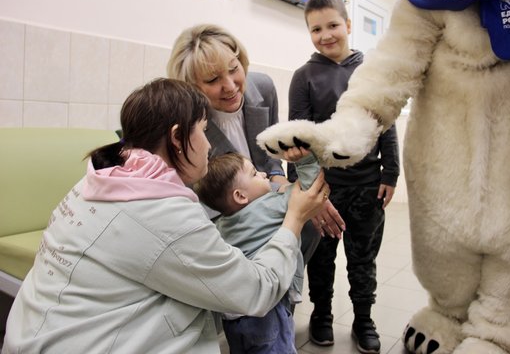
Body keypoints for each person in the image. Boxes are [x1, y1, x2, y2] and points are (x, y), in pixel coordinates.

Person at [1, 78, 329, 354]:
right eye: (202, 130)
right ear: (177, 137)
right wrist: (294, 220)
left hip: (32, 332)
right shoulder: (163, 214)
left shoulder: (100, 178)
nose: (208, 146)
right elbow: (254, 292)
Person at [165, 24, 345, 258]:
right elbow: (202, 194)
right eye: (212, 79)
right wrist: (290, 202)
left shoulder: (263, 87)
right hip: (220, 211)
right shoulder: (187, 121)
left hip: (260, 188)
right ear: (191, 86)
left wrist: (292, 192)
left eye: (233, 69)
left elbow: (269, 160)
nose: (230, 86)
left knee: (310, 223)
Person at [287, 0, 400, 354]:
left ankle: (363, 319)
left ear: (348, 25)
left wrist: (391, 173)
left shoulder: (370, 73)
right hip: (324, 190)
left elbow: (386, 125)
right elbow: (299, 138)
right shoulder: (304, 77)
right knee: (321, 259)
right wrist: (308, 190)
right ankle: (321, 315)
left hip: (367, 187)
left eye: (333, 25)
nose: (326, 34)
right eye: (316, 29)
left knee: (362, 259)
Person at [197, 147, 320, 354]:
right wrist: (305, 160)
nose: (263, 174)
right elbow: (307, 190)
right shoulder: (271, 205)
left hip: (234, 314)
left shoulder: (221, 226)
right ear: (240, 196)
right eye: (255, 173)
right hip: (268, 310)